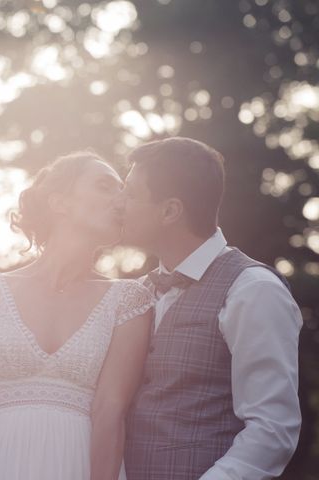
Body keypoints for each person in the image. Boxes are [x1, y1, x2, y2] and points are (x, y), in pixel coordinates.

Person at [0, 151, 155, 480]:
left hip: (79, 465)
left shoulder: (129, 301)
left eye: (123, 190)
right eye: (104, 186)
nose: (121, 200)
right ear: (60, 203)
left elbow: (110, 414)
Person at [120, 137, 303, 480]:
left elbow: (272, 428)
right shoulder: (135, 294)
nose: (119, 204)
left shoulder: (253, 290)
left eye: (130, 194)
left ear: (170, 211)